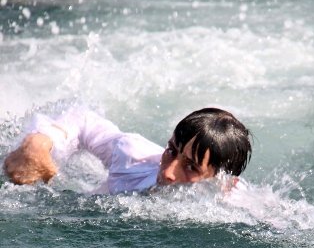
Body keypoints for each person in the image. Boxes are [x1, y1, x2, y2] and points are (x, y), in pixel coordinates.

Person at [3, 106, 252, 194]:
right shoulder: (133, 155)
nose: (168, 172)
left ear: (219, 177)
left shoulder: (233, 201)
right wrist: (40, 142)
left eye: (191, 167)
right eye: (172, 151)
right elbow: (83, 119)